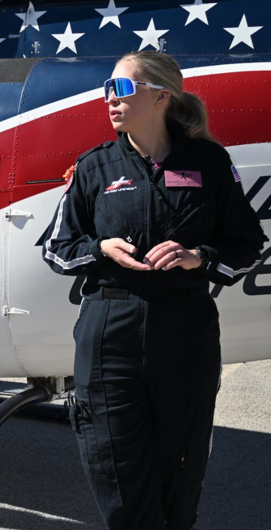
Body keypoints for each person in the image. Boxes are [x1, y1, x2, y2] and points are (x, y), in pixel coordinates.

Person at [43, 52, 267, 529]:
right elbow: (57, 248)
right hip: (110, 332)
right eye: (107, 88)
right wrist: (101, 248)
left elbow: (248, 244)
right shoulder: (94, 167)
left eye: (122, 89)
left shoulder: (209, 163)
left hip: (184, 327)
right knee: (114, 465)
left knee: (181, 467)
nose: (110, 99)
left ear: (161, 96)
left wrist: (201, 257)